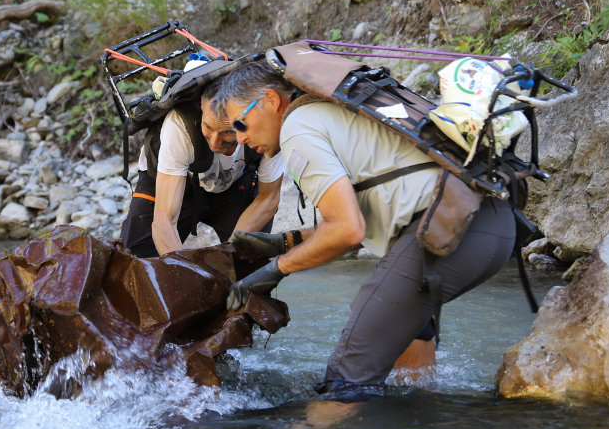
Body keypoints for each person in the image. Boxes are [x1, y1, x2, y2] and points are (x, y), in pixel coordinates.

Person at [214, 62, 516, 398]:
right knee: (406, 334)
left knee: (345, 381)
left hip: (450, 228)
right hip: (488, 221)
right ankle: (419, 420)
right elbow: (361, 211)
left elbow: (347, 230)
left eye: (241, 123)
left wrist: (274, 270)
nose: (239, 137)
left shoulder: (297, 127)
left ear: (271, 100)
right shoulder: (331, 110)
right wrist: (285, 243)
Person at [119, 76, 286, 257]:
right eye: (208, 127)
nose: (215, 143)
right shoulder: (180, 124)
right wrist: (187, 273)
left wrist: (232, 254)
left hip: (231, 184)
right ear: (201, 103)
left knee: (251, 256)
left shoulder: (267, 127)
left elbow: (268, 197)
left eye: (228, 132)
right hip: (172, 184)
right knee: (135, 259)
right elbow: (164, 219)